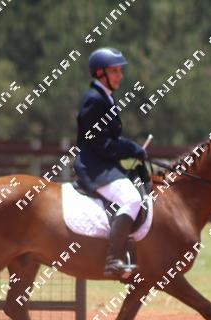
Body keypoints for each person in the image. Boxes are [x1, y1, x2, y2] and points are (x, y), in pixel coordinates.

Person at [73, 47, 146, 278]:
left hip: (104, 163)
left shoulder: (106, 96)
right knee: (132, 199)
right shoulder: (94, 100)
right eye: (115, 71)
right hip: (94, 166)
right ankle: (113, 260)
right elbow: (99, 143)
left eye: (119, 71)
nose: (120, 76)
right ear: (100, 73)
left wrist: (131, 150)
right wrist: (130, 148)